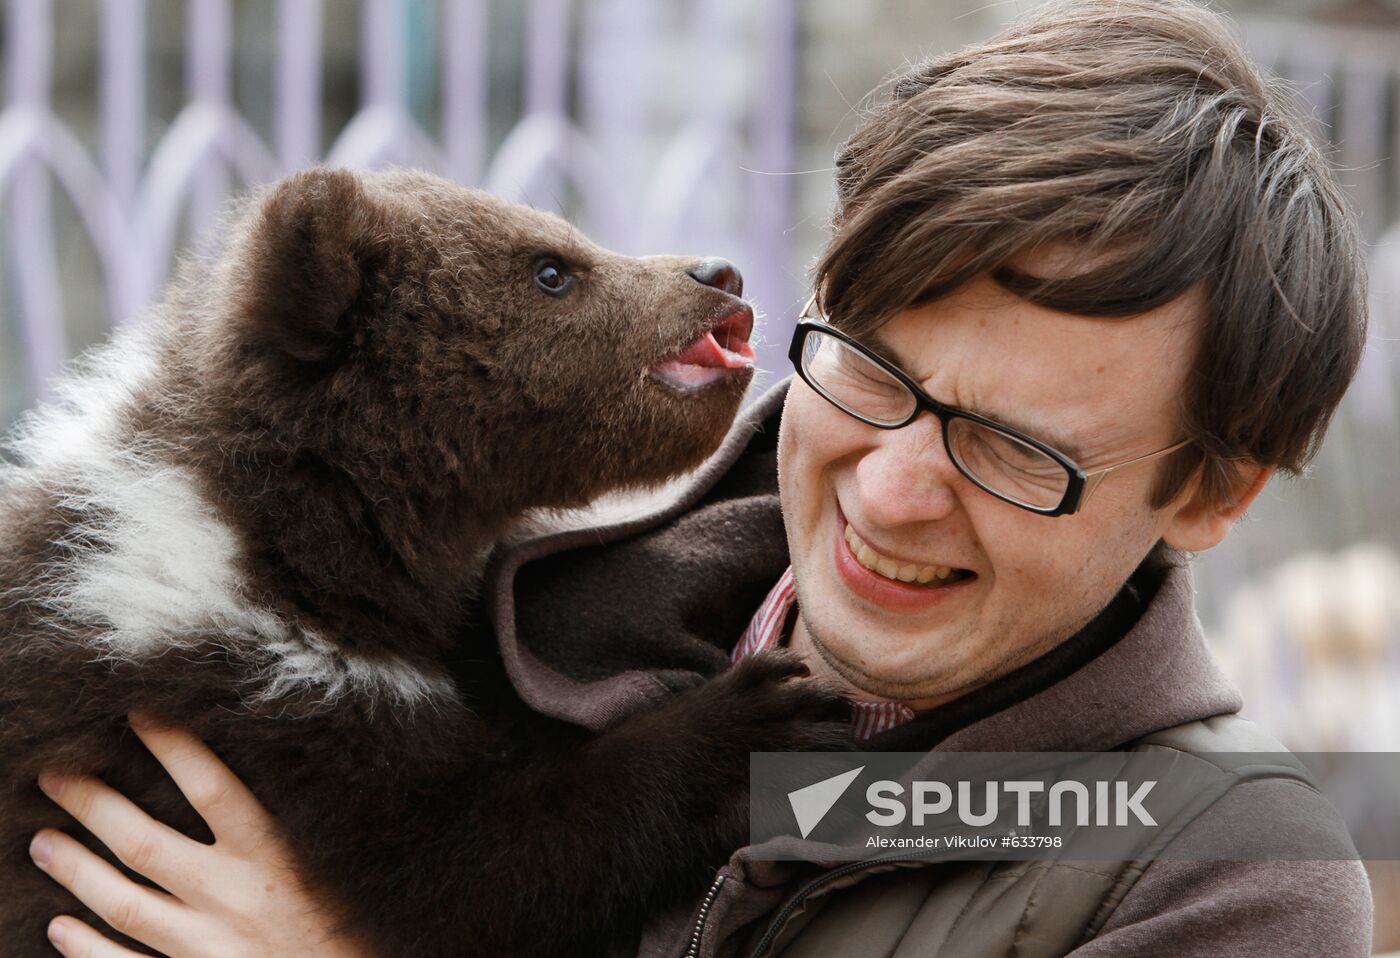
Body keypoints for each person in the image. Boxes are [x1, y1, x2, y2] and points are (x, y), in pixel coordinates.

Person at [26, 0, 1375, 954]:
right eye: (874, 368)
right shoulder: (495, 612)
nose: (895, 492)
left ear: (1211, 493)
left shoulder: (1210, 869)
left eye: (1016, 448)